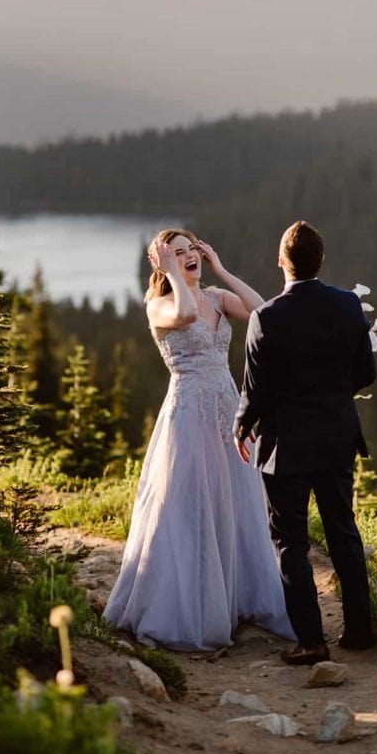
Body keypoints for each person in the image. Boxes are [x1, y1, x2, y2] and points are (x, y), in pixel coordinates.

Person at [104, 227, 294, 650]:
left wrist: (221, 271)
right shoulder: (158, 305)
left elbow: (263, 310)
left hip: (228, 410)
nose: (189, 256)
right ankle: (192, 608)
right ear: (161, 263)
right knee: (189, 502)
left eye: (192, 249)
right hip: (188, 415)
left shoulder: (217, 297)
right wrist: (172, 273)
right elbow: (187, 314)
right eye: (178, 252)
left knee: (235, 501)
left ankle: (237, 597)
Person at [234, 220, 377, 666]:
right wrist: (332, 396)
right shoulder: (348, 304)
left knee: (290, 542)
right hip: (336, 437)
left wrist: (242, 425)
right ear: (321, 260)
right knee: (343, 531)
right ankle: (359, 631)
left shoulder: (266, 317)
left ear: (281, 262)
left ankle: (312, 641)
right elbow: (366, 373)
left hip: (285, 447)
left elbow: (254, 390)